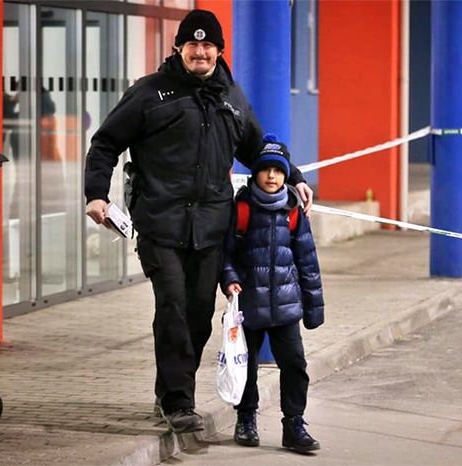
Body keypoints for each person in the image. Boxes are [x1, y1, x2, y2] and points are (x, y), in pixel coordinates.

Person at [83, 9, 314, 434]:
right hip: (160, 223)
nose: (201, 52)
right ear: (179, 49)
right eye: (193, 45)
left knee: (198, 312)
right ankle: (178, 403)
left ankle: (168, 389)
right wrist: (96, 194)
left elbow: (259, 148)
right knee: (172, 304)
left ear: (219, 51)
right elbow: (106, 142)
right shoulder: (151, 94)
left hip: (211, 227)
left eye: (208, 46)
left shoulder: (232, 98)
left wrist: (294, 177)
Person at [221, 138, 324, 453]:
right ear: (255, 174)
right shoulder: (240, 209)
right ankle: (246, 418)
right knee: (246, 364)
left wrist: (313, 308)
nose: (271, 176)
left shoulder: (293, 212)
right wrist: (230, 280)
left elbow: (308, 262)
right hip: (249, 306)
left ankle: (294, 424)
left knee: (294, 364)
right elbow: (225, 255)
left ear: (285, 175)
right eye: (264, 169)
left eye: (277, 171)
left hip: (286, 305)